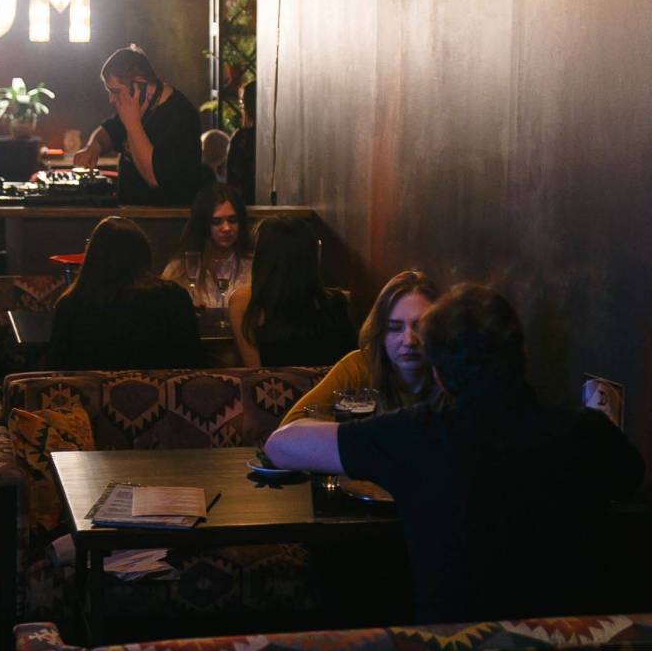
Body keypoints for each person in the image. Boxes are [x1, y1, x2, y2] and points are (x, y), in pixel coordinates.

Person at [265, 283, 645, 624]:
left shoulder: (414, 433)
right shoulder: (588, 432)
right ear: (524, 355)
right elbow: (633, 479)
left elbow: (281, 444)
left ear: (438, 374)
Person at [44, 215, 207, 371]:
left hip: (93, 391)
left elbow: (56, 369)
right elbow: (193, 363)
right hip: (160, 391)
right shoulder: (174, 297)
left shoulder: (71, 304)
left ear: (92, 257)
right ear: (144, 253)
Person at [280, 270, 441, 423]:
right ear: (380, 331)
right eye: (394, 328)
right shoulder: (360, 367)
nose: (409, 340)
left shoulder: (451, 372)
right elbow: (288, 428)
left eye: (420, 327)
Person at [73, 45, 202, 206]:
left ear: (139, 84)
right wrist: (93, 147)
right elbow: (108, 132)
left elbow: (155, 178)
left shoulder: (180, 115)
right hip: (129, 211)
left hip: (164, 217)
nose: (111, 99)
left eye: (115, 91)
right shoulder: (136, 107)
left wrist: (133, 124)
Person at [229, 214, 356, 367]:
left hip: (273, 383)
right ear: (311, 256)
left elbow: (256, 372)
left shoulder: (244, 303)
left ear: (262, 258)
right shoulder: (339, 301)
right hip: (328, 382)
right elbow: (349, 367)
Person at [163, 184, 253, 308]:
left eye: (232, 220)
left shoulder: (252, 265)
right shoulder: (180, 269)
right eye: (217, 221)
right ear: (203, 224)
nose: (226, 228)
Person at [226, 79, 256, 204]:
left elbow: (233, 179)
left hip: (245, 203)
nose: (241, 106)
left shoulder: (242, 139)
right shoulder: (276, 136)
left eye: (242, 102)